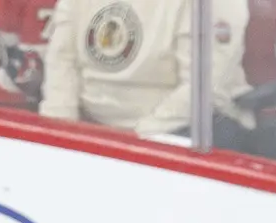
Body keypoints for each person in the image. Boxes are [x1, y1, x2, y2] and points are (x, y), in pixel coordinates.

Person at [38, 0, 254, 137]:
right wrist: (60, 130)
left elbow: (204, 85)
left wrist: (137, 142)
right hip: (92, 131)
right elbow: (62, 58)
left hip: (181, 133)